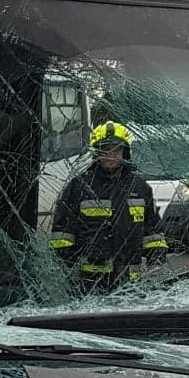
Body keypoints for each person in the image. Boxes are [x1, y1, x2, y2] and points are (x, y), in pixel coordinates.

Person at [49, 121, 168, 289]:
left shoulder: (141, 188)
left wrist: (156, 260)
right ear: (97, 152)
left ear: (125, 152)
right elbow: (62, 233)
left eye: (116, 150)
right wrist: (66, 268)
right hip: (89, 283)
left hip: (131, 284)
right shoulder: (79, 186)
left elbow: (152, 231)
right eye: (105, 150)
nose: (110, 156)